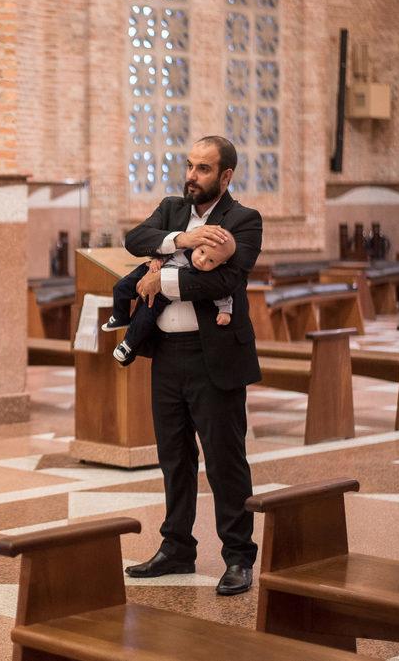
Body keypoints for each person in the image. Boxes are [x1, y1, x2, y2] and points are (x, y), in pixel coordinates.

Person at [120, 135, 262, 597]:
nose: (191, 176)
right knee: (175, 458)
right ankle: (177, 547)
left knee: (225, 460)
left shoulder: (244, 221)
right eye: (189, 166)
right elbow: (133, 239)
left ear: (225, 176)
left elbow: (225, 279)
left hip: (214, 358)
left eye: (203, 169)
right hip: (167, 354)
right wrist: (184, 240)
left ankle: (238, 556)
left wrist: (161, 278)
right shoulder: (171, 209)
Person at [102, 232, 237, 366]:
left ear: (221, 263)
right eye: (201, 251)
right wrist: (156, 259)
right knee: (121, 287)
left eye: (211, 261)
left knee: (144, 317)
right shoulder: (183, 250)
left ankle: (128, 345)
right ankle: (120, 316)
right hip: (149, 271)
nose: (202, 260)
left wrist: (225, 311)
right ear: (198, 245)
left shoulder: (209, 275)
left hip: (163, 295)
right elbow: (164, 251)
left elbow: (221, 292)